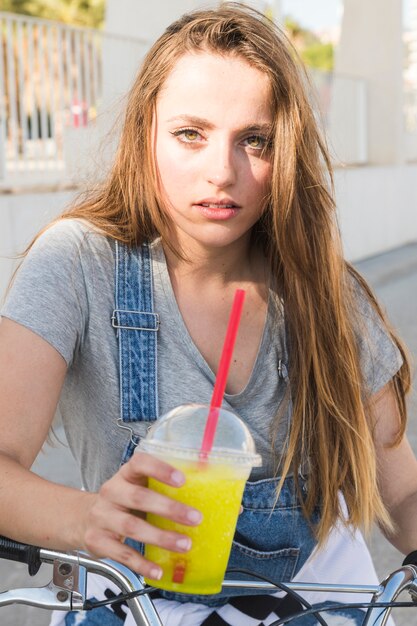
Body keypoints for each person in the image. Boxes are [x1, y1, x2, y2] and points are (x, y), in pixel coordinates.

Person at [0, 4, 416, 625]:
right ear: (146, 132)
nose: (222, 173)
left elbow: (403, 490)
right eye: (190, 133)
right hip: (137, 606)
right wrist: (87, 518)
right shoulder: (78, 264)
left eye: (256, 140)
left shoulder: (328, 296)